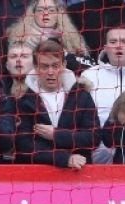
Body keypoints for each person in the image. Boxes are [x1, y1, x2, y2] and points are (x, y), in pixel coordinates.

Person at [15, 39, 103, 169]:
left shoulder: (81, 95)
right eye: (45, 66)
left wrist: (57, 135)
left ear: (64, 65)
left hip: (78, 175)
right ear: (36, 68)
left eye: (55, 66)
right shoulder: (24, 100)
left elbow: (94, 138)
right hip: (38, 177)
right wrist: (63, 159)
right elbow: (23, 145)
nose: (50, 72)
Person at [80, 25, 125, 163]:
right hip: (98, 154)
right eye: (113, 42)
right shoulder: (89, 75)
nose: (118, 46)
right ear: (105, 48)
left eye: (124, 42)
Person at [6, 0, 94, 74]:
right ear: (33, 13)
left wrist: (65, 54)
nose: (46, 13)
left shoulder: (71, 39)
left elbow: (90, 67)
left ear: (58, 14)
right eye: (40, 10)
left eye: (51, 10)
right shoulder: (16, 38)